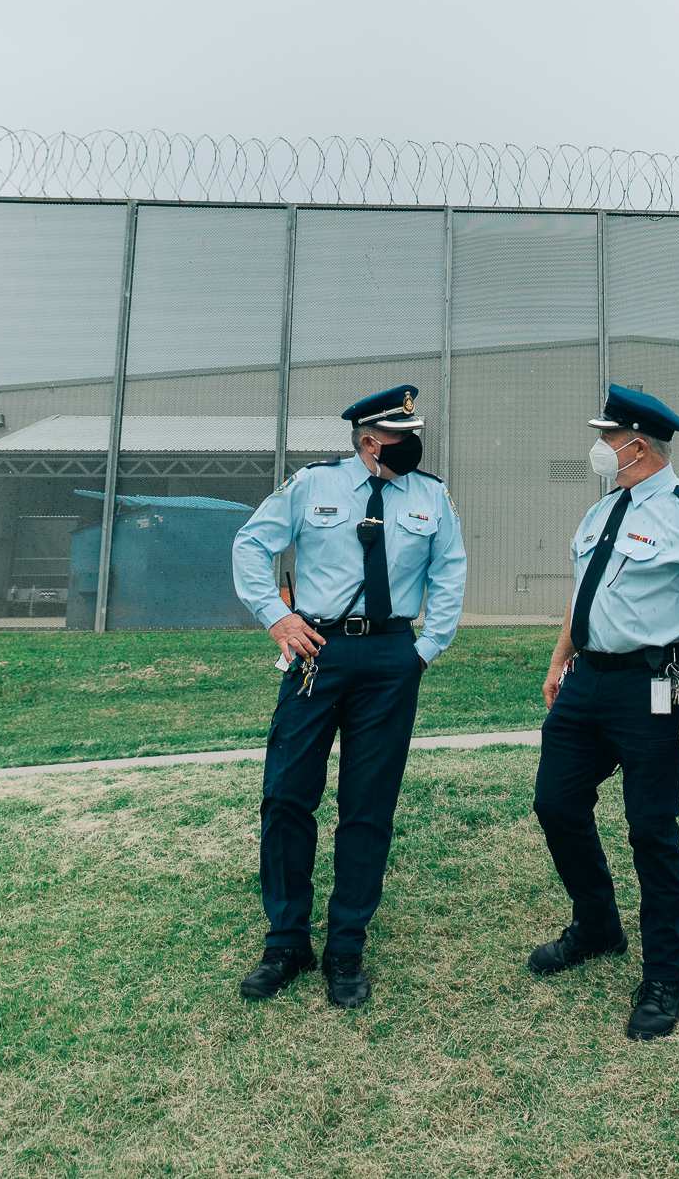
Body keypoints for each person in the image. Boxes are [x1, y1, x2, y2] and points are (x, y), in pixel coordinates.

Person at [229, 384, 467, 1008]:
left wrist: (425, 648)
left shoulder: (431, 495)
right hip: (316, 651)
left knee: (367, 806)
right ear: (370, 440)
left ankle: (345, 946)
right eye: (401, 434)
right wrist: (274, 617)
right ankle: (286, 940)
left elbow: (450, 570)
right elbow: (251, 544)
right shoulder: (313, 485)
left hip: (391, 657)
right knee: (286, 795)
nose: (414, 444)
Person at [529, 383, 679, 1040]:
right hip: (588, 682)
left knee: (651, 830)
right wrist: (559, 660)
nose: (599, 449)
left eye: (606, 438)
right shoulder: (601, 514)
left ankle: (664, 979)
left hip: (655, 688)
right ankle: (597, 926)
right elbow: (583, 596)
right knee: (556, 803)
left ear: (637, 445)